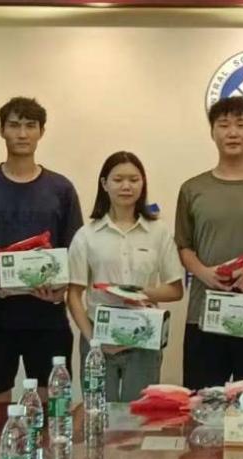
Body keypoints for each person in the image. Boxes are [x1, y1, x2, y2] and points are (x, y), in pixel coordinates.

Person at [0, 97, 83, 403]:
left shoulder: (61, 189)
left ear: (42, 131)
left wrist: (62, 287)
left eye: (30, 126)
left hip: (47, 316)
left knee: (53, 406)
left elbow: (74, 250)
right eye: (14, 125)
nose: (22, 133)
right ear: (2, 130)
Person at [175, 96, 243, 389]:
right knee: (203, 403)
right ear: (212, 132)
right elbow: (184, 246)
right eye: (224, 125)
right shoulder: (192, 189)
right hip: (204, 313)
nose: (233, 132)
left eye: (241, 124)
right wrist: (204, 273)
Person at [67, 151, 184, 401]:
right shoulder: (86, 235)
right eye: (118, 179)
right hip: (98, 336)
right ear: (104, 184)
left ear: (143, 183)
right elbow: (74, 294)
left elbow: (175, 290)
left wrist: (139, 292)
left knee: (139, 415)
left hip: (144, 338)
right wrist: (93, 340)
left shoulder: (158, 232)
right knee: (98, 413)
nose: (126, 186)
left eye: (134, 179)